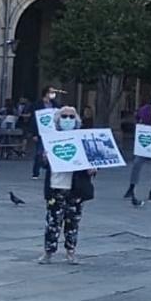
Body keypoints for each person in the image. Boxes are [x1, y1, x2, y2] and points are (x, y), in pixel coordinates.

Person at [41, 106, 93, 264]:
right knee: (52, 222)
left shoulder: (82, 139)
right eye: (64, 116)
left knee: (73, 221)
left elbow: (92, 160)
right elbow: (43, 163)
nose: (68, 120)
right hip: (56, 185)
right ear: (58, 120)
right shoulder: (51, 138)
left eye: (71, 117)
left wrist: (92, 169)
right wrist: (44, 158)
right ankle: (48, 252)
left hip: (76, 187)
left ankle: (71, 252)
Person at [126, 87, 151, 203]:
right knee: (137, 163)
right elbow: (138, 119)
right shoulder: (146, 109)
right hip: (147, 141)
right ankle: (132, 187)